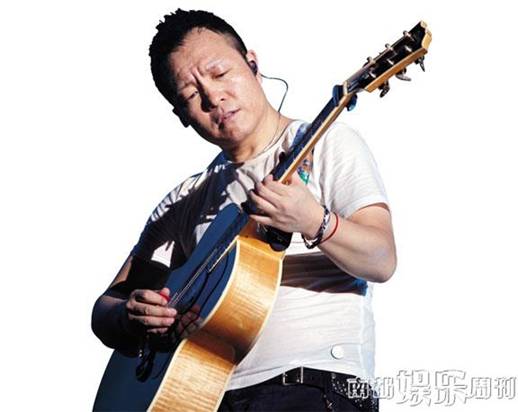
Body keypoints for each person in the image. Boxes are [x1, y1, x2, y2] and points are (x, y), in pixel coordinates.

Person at [92, 8, 396, 412]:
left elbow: (382, 260)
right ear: (181, 115)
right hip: (202, 394)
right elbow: (106, 307)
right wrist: (130, 315)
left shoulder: (326, 143)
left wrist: (314, 221)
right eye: (191, 95)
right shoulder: (186, 199)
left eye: (220, 73)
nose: (213, 97)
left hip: (313, 384)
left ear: (253, 64)